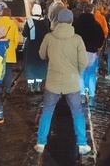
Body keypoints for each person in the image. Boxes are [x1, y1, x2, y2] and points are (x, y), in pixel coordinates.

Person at [34, 9, 90, 155]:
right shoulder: (77, 39)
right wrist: (76, 72)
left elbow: (41, 54)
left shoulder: (49, 37)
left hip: (52, 81)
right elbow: (84, 62)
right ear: (71, 21)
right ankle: (82, 144)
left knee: (47, 111)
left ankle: (40, 143)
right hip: (72, 82)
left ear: (57, 21)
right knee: (77, 112)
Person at [74, 4, 105, 106]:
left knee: (80, 74)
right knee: (91, 75)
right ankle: (91, 96)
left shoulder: (76, 23)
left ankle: (82, 94)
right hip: (92, 52)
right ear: (92, 11)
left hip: (79, 52)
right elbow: (101, 38)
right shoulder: (96, 24)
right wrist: (97, 47)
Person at [22, 4, 50, 93]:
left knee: (30, 65)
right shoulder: (45, 21)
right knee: (40, 65)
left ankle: (31, 87)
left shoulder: (29, 21)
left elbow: (24, 34)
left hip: (31, 47)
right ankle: (38, 86)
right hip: (42, 46)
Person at [0, 8, 19, 94]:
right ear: (9, 14)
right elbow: (17, 39)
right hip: (9, 50)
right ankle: (7, 89)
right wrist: (13, 47)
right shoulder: (13, 24)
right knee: (8, 71)